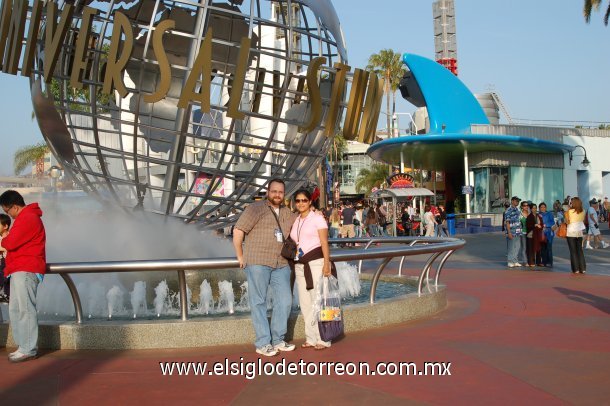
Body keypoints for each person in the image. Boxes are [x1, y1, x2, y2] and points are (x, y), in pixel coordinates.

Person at [232, 179, 297, 356]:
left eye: (281, 192)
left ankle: (277, 340)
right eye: (274, 191)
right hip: (258, 261)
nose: (277, 195)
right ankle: (262, 343)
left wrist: (315, 213)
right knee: (258, 301)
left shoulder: (287, 213)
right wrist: (239, 255)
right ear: (268, 192)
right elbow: (238, 231)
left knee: (285, 301)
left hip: (281, 263)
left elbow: (301, 225)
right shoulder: (255, 209)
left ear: (284, 194)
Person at [0, 190, 46, 363]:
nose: (8, 215)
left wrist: (4, 239)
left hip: (26, 269)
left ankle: (28, 348)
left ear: (15, 206)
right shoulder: (25, 218)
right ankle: (23, 346)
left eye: (7, 211)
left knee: (25, 308)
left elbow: (11, 243)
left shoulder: (28, 218)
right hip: (19, 268)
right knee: (16, 309)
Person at [289, 189, 334, 350]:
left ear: (310, 202)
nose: (301, 203)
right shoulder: (296, 220)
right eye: (298, 200)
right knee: (306, 303)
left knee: (320, 300)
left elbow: (324, 242)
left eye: (304, 200)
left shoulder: (318, 219)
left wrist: (326, 263)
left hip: (316, 263)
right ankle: (311, 337)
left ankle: (324, 338)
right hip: (300, 265)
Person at [565, 197, 587, 274]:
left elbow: (567, 221)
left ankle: (576, 269)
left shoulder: (569, 211)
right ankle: (583, 268)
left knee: (573, 251)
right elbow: (583, 220)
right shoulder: (583, 211)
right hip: (579, 232)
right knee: (580, 251)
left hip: (571, 232)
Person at [504, 196, 523, 267]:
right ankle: (510, 261)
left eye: (518, 201)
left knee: (517, 246)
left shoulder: (518, 210)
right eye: (516, 201)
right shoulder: (508, 210)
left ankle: (515, 261)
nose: (517, 202)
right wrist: (508, 232)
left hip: (518, 231)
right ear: (512, 201)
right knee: (511, 247)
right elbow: (507, 222)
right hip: (511, 230)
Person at [539, 202, 556, 267]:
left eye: (544, 207)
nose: (542, 208)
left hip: (549, 233)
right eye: (541, 207)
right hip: (541, 233)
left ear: (546, 208)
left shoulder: (549, 214)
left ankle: (549, 262)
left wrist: (545, 225)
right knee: (542, 248)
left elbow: (552, 222)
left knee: (549, 248)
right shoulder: (538, 214)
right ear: (539, 208)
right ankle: (543, 261)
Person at [0, 213, 11, 303]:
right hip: (3, 261)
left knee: (7, 278)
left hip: (9, 262)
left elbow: (9, 247)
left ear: (5, 226)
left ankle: (7, 295)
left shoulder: (10, 236)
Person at [519, 201, 530, 265]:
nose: (526, 207)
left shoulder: (530, 213)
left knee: (529, 247)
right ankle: (525, 261)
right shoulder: (519, 214)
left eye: (527, 205)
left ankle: (530, 260)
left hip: (530, 233)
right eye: (524, 205)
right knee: (524, 247)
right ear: (522, 207)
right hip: (523, 232)